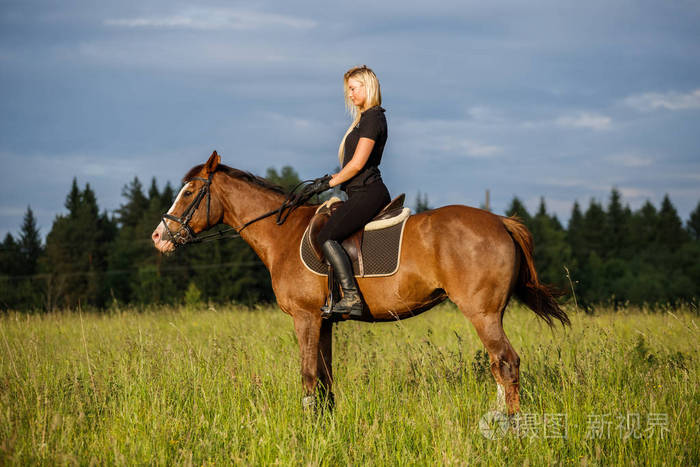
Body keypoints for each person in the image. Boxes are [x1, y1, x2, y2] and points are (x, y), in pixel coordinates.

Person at [313, 65, 391, 317]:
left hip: (368, 192)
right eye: (348, 90)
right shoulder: (363, 120)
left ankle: (352, 297)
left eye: (353, 89)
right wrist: (329, 179)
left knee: (326, 236)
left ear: (368, 87)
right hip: (358, 192)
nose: (350, 95)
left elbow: (357, 164)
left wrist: (329, 184)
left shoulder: (372, 118)